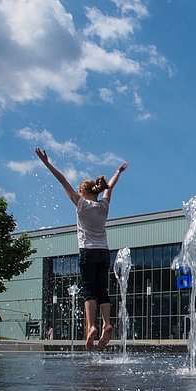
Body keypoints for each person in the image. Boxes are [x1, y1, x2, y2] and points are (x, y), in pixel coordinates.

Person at [36, 148, 127, 350]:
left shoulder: (81, 204)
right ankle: (107, 324)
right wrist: (118, 172)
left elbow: (62, 180)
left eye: (79, 191)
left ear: (83, 192)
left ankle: (92, 326)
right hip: (104, 252)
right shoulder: (104, 205)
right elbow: (110, 187)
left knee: (88, 291)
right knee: (102, 290)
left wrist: (46, 163)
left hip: (87, 251)